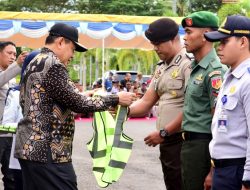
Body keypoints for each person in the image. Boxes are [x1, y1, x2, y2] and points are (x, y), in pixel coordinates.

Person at [14, 23, 134, 190]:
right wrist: (115, 99)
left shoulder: (36, 60)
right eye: (73, 49)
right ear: (61, 42)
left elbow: (49, 99)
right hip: (47, 150)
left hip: (30, 146)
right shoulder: (53, 64)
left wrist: (89, 95)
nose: (73, 55)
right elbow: (78, 103)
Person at [129, 18, 192, 190]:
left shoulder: (189, 64)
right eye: (153, 43)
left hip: (183, 140)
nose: (155, 48)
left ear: (173, 39)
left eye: (158, 43)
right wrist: (122, 110)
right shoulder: (162, 67)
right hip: (168, 143)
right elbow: (146, 102)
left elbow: (192, 108)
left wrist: (164, 133)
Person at [204, 15, 250, 190]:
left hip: (238, 170)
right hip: (222, 169)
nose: (219, 48)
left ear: (243, 42)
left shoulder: (247, 80)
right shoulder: (230, 77)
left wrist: (247, 180)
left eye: (224, 42)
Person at [2, 51, 40, 190]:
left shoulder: (52, 91)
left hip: (46, 158)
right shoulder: (16, 92)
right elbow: (6, 123)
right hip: (20, 155)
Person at [0, 41, 27, 190]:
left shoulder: (11, 76)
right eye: (9, 53)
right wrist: (17, 65)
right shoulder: (9, 73)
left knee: (11, 176)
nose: (12, 57)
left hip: (8, 134)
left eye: (15, 54)